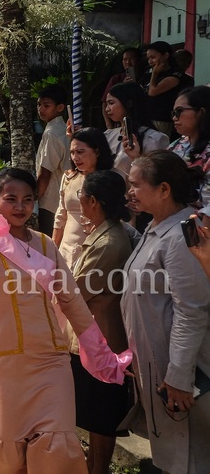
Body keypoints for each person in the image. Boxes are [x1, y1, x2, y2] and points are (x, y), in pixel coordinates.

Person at [0, 168, 130, 474]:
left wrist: (101, 355)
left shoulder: (45, 245)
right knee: (7, 449)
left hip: (51, 361)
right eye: (10, 199)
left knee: (57, 445)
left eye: (27, 199)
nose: (20, 207)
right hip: (5, 362)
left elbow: (73, 301)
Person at [121, 151, 210, 474]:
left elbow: (191, 310)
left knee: (187, 456)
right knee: (171, 451)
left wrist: (179, 376)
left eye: (136, 185)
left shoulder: (183, 236)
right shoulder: (157, 227)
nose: (129, 191)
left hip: (177, 373)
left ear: (164, 189)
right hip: (155, 363)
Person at [69, 170, 133, 474]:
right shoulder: (106, 234)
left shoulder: (109, 242)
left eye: (81, 194)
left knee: (101, 417)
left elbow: (78, 291)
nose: (78, 200)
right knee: (96, 416)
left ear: (92, 201)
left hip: (102, 343)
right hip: (96, 339)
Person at [53, 128, 114, 269]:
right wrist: (52, 249)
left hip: (96, 250)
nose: (75, 157)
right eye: (72, 153)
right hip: (66, 250)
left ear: (97, 151)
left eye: (80, 152)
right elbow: (60, 216)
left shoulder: (111, 179)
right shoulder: (69, 177)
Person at [103, 81, 168, 180]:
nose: (107, 109)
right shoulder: (108, 135)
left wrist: (136, 158)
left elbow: (156, 175)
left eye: (111, 103)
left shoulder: (154, 138)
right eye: (106, 104)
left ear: (129, 103)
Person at [35, 84, 70, 235]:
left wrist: (34, 198)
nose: (41, 109)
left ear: (60, 107)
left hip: (49, 201)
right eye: (39, 105)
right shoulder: (64, 130)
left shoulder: (52, 133)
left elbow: (45, 173)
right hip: (62, 198)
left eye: (46, 105)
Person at [146, 41, 193, 137]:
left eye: (153, 57)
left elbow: (152, 92)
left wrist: (155, 74)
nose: (150, 61)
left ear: (166, 55)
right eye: (148, 58)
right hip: (147, 118)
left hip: (161, 121)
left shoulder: (175, 76)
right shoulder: (148, 75)